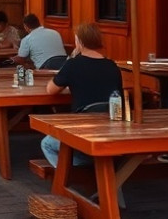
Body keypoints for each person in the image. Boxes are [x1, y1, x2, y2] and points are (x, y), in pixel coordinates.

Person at [41, 23, 122, 167]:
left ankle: (71, 173)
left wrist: (71, 59)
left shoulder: (73, 64)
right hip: (110, 129)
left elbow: (51, 90)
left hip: (82, 130)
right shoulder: (112, 66)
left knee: (47, 143)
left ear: (79, 41)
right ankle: (92, 168)